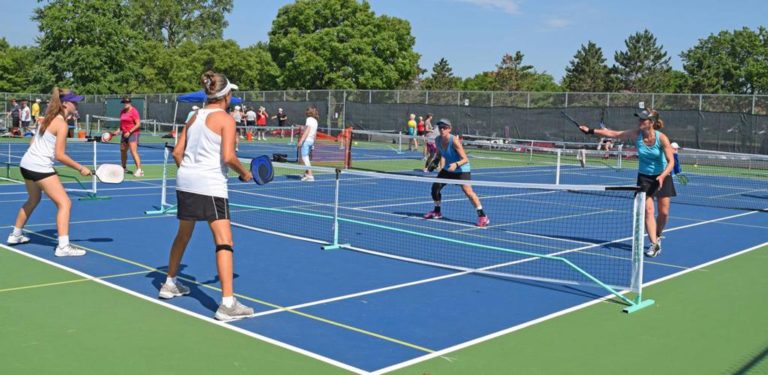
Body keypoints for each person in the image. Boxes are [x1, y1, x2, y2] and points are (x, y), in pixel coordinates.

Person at [159, 71, 255, 321]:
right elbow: (228, 157)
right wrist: (245, 174)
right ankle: (227, 304)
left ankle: (169, 283)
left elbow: (177, 153)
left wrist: (191, 173)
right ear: (227, 95)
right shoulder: (226, 119)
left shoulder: (193, 117)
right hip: (210, 185)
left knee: (183, 233)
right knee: (225, 241)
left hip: (185, 182)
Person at [6, 88, 91, 256]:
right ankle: (63, 247)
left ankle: (15, 235)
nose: (76, 104)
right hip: (39, 167)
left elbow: (32, 143)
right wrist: (80, 168)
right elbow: (60, 155)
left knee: (33, 199)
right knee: (65, 203)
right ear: (65, 103)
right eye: (74, 102)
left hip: (26, 164)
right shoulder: (61, 124)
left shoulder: (46, 119)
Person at [578, 109, 675, 257]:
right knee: (648, 211)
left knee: (664, 213)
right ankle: (654, 244)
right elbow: (614, 134)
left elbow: (671, 161)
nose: (640, 122)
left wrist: (662, 176)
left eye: (643, 120)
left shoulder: (662, 138)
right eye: (639, 119)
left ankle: (658, 235)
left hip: (663, 175)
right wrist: (590, 130)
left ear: (652, 123)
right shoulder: (636, 134)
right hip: (645, 178)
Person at [423, 119, 490, 227]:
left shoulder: (454, 140)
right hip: (448, 168)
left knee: (468, 192)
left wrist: (456, 165)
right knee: (435, 188)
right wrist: (434, 163)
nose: (442, 129)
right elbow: (439, 154)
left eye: (444, 127)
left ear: (449, 129)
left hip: (461, 168)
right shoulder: (438, 140)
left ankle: (483, 216)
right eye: (440, 127)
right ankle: (437, 211)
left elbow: (465, 159)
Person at [112, 96, 143, 177]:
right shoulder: (122, 112)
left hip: (133, 133)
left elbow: (138, 124)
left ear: (130, 102)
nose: (125, 104)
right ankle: (124, 168)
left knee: (133, 151)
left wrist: (129, 132)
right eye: (124, 102)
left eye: (127, 102)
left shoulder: (134, 111)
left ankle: (139, 170)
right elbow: (122, 124)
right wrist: (118, 130)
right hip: (124, 134)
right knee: (123, 151)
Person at [297, 106, 319, 182]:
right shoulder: (315, 121)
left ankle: (310, 175)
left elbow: (307, 130)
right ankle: (306, 174)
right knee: (307, 157)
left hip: (307, 141)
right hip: (311, 141)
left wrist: (301, 141)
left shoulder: (309, 119)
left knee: (305, 158)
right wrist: (313, 142)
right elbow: (315, 133)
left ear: (308, 113)